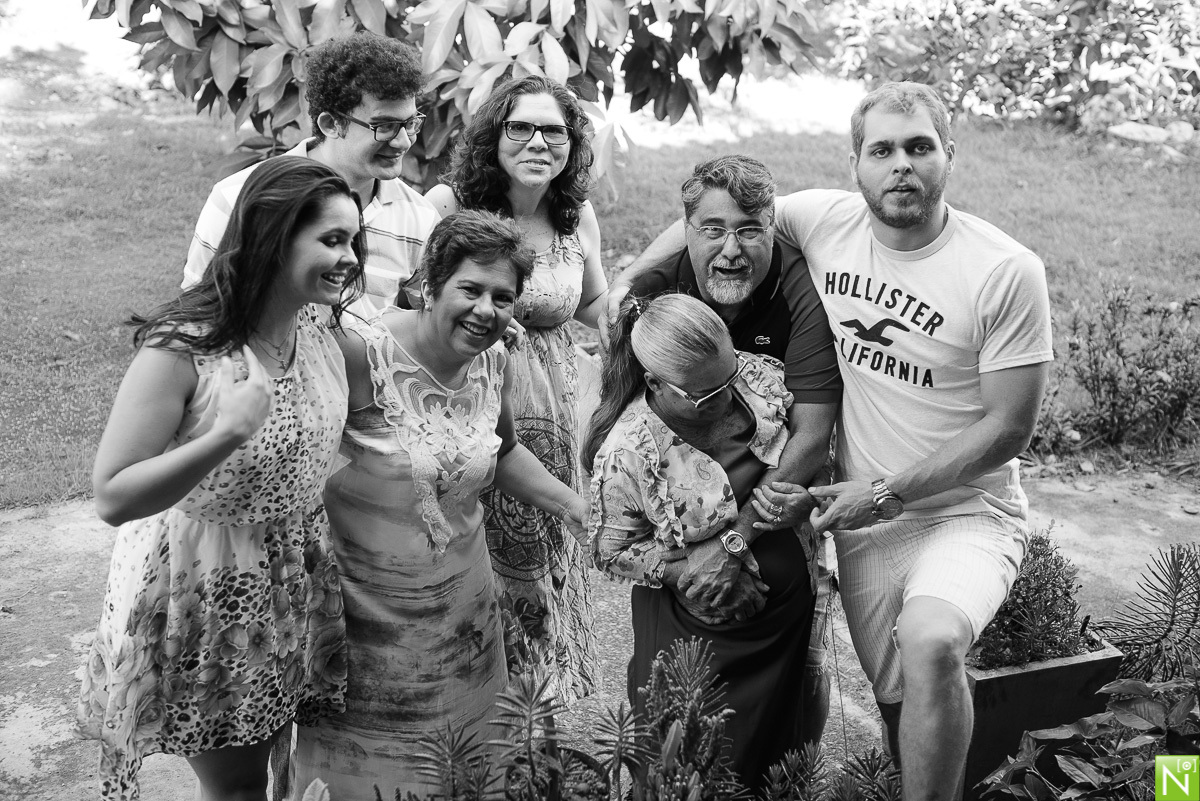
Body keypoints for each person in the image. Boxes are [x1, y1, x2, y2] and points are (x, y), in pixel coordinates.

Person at [609, 81, 1054, 799]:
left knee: (933, 641)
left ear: (951, 155)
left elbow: (1009, 428)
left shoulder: (1004, 271)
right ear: (856, 163)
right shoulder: (825, 220)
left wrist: (882, 491)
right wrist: (634, 277)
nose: (901, 165)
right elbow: (718, 214)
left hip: (960, 510)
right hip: (862, 523)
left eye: (919, 147)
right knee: (897, 700)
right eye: (882, 150)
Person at [76, 156, 366, 801]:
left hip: (293, 572)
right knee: (235, 786)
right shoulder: (183, 348)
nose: (350, 258)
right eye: (331, 240)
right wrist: (225, 434)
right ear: (272, 237)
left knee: (282, 762)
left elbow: (397, 378)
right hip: (207, 585)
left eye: (354, 239)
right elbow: (113, 495)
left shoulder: (320, 330)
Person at [289, 210, 590, 800]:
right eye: (471, 290)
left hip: (466, 623)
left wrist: (573, 506)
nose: (486, 311)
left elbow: (500, 453)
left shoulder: (495, 360)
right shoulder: (357, 353)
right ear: (431, 284)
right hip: (364, 628)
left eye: (503, 298)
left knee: (469, 776)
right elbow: (299, 463)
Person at [608, 154, 841, 744]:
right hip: (679, 543)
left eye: (749, 230)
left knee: (800, 688)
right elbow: (622, 440)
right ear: (686, 232)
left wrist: (736, 541)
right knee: (670, 708)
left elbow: (813, 434)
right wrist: (691, 564)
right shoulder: (649, 298)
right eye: (713, 231)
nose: (731, 250)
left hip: (771, 511)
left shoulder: (798, 294)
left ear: (772, 228)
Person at [585, 293, 818, 790]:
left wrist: (751, 538)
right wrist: (688, 573)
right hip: (698, 639)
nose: (730, 397)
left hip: (782, 635)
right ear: (655, 385)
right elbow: (611, 551)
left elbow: (807, 454)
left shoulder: (754, 379)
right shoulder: (629, 452)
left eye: (731, 377)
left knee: (770, 765)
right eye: (708, 394)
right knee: (688, 765)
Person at [423, 75, 606, 704]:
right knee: (488, 559)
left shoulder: (575, 216)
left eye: (553, 130)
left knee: (550, 544)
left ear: (571, 141)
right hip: (479, 395)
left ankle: (538, 717)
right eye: (520, 127)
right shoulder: (451, 205)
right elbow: (423, 305)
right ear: (494, 135)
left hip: (557, 408)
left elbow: (595, 301)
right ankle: (480, 708)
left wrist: (639, 339)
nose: (537, 142)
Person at [183, 31, 439, 314]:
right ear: (331, 124)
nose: (403, 141)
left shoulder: (420, 219)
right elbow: (197, 314)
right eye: (385, 126)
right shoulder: (236, 199)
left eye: (411, 122)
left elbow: (422, 321)